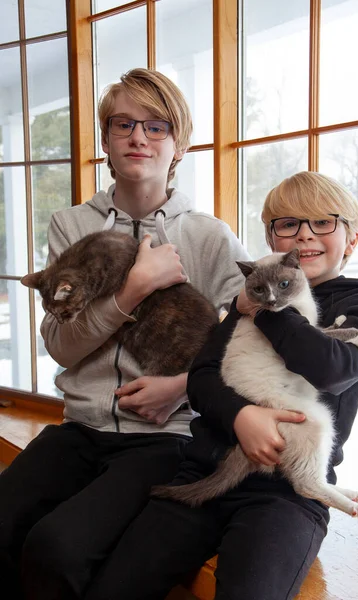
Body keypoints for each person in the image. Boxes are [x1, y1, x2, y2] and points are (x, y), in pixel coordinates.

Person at [0, 68, 252, 600]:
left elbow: (245, 341)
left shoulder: (209, 235)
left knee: (57, 547)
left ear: (178, 144)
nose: (139, 137)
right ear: (107, 143)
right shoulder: (70, 225)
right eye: (123, 125)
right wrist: (130, 292)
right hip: (79, 426)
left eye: (156, 126)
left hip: (163, 438)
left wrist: (184, 385)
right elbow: (61, 345)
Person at [83, 171, 358, 600]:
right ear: (272, 237)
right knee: (114, 587)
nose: (304, 235)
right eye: (288, 224)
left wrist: (265, 307)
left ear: (352, 239)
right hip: (208, 468)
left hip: (285, 494)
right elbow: (202, 377)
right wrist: (242, 416)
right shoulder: (254, 291)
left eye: (323, 222)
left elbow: (331, 369)